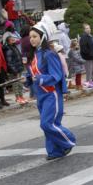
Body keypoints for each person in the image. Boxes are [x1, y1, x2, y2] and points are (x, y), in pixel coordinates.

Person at [26, 16, 76, 160]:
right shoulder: (35, 55)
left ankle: (68, 141)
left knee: (47, 124)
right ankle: (54, 151)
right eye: (30, 37)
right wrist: (28, 79)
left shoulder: (50, 54)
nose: (32, 39)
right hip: (41, 95)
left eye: (35, 36)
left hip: (51, 94)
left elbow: (56, 76)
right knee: (50, 125)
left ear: (43, 37)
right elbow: (34, 74)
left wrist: (41, 79)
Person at [3, 35, 27, 105]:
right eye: (11, 40)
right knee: (15, 84)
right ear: (8, 41)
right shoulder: (9, 49)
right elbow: (9, 62)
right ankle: (17, 97)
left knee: (20, 83)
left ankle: (21, 96)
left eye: (14, 39)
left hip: (18, 68)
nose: (14, 40)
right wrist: (14, 70)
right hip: (14, 70)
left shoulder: (14, 47)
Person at [79, 23, 93, 88]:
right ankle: (88, 81)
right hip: (88, 57)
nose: (88, 29)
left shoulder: (92, 36)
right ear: (84, 30)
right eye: (87, 28)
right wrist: (89, 54)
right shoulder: (83, 37)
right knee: (89, 70)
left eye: (89, 28)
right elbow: (83, 48)